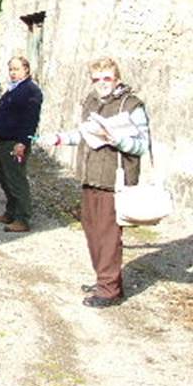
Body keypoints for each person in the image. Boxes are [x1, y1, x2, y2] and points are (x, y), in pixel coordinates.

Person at [37, 57, 150, 308]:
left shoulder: (131, 105)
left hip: (114, 180)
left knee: (108, 234)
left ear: (117, 79)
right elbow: (84, 135)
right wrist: (58, 139)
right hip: (90, 177)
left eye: (106, 78)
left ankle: (109, 291)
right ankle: (105, 280)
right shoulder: (92, 102)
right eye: (96, 79)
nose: (101, 84)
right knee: (92, 230)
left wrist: (117, 140)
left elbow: (143, 145)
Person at [0, 56, 43, 232]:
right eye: (11, 69)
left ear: (26, 69)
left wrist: (22, 142)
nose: (13, 72)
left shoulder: (30, 91)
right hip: (5, 140)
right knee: (5, 178)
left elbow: (30, 121)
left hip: (15, 142)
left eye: (17, 69)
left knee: (16, 179)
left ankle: (22, 218)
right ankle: (10, 212)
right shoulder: (14, 89)